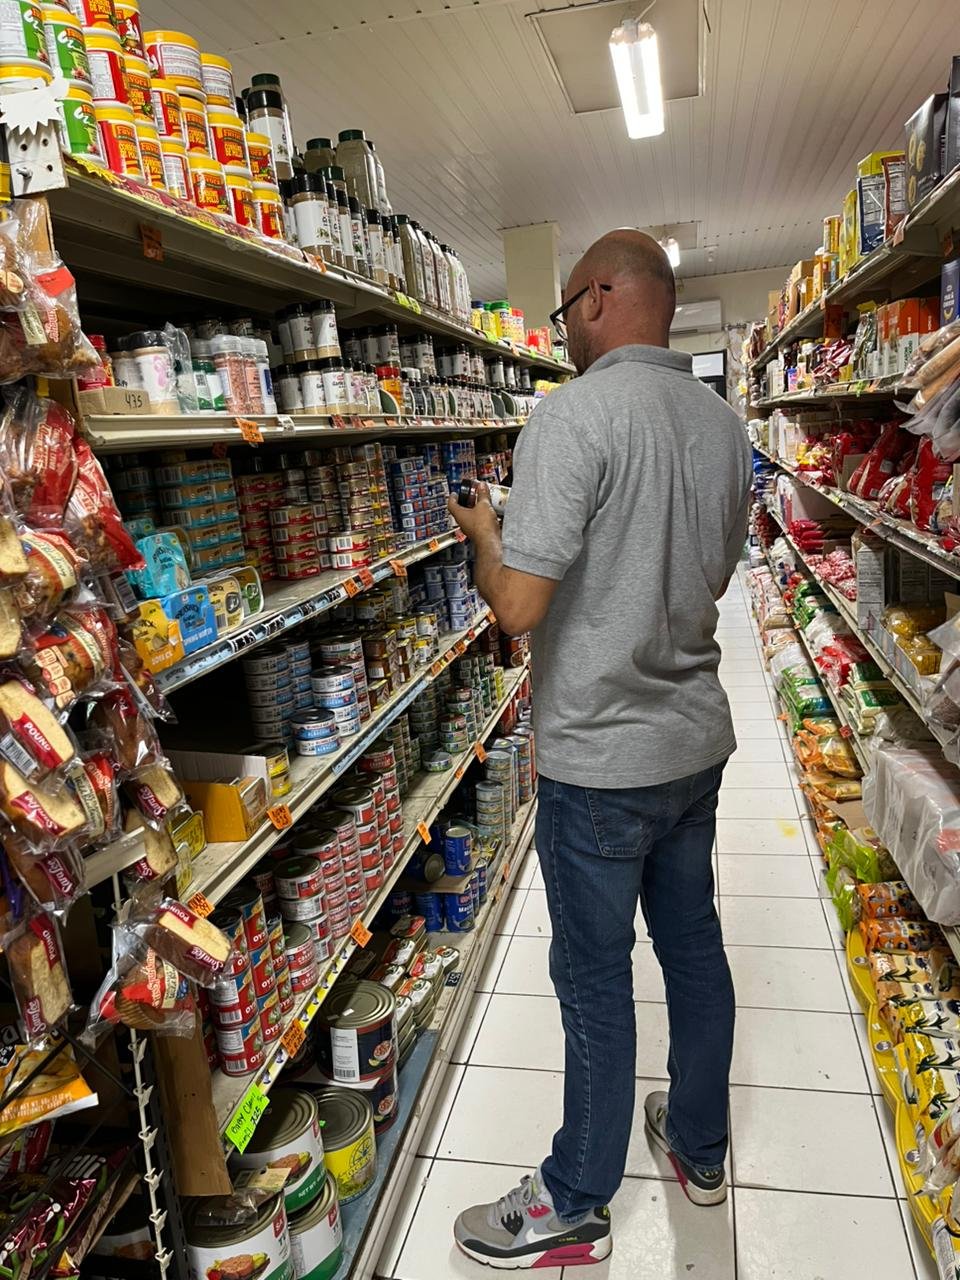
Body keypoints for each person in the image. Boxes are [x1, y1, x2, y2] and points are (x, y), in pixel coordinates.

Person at [446, 229, 753, 1271]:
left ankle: (576, 1193)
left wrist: (488, 532)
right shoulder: (722, 423)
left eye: (567, 304)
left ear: (601, 299)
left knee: (593, 979)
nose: (561, 327)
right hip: (691, 743)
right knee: (693, 945)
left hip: (600, 760)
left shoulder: (570, 417)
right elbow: (708, 577)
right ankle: (700, 1141)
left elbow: (521, 606)